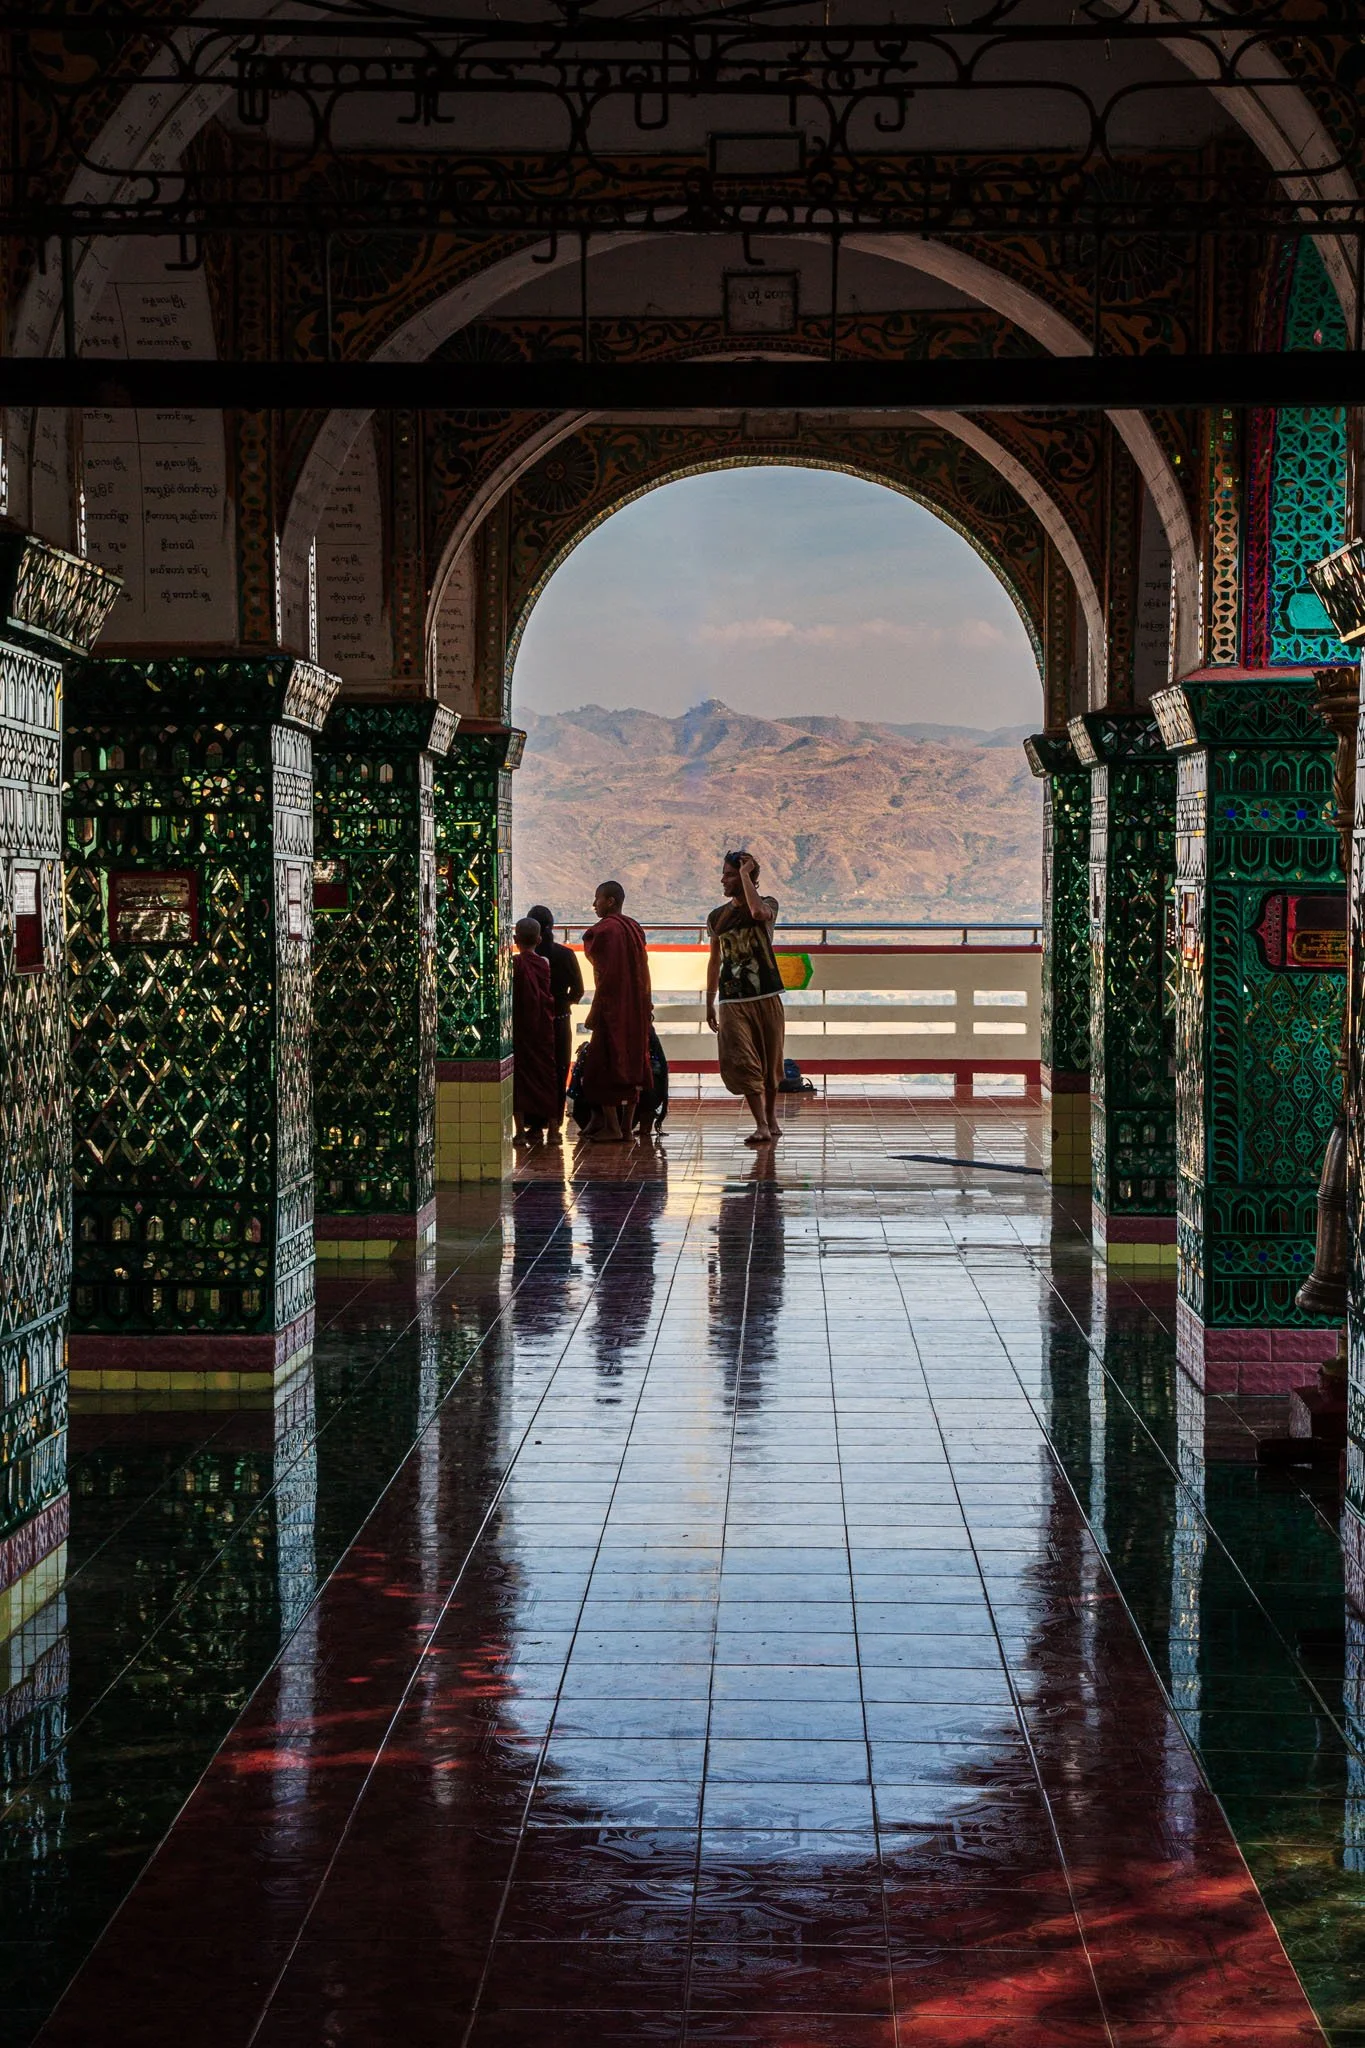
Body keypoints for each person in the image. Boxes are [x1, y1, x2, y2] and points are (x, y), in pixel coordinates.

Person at [706, 850, 786, 1145]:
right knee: (743, 1059)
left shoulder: (768, 905)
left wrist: (744, 875)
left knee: (770, 1058)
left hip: (766, 994)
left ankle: (771, 1116)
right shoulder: (717, 917)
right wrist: (709, 1000)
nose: (723, 880)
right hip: (732, 1000)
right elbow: (715, 960)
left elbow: (756, 914)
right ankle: (761, 1124)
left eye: (729, 874)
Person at [579, 880, 652, 1143]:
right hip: (637, 1008)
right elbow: (644, 968)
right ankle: (626, 1128)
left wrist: (596, 1011)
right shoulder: (634, 927)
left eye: (597, 899)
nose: (593, 904)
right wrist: (647, 1002)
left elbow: (603, 975)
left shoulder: (604, 931)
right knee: (635, 1064)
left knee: (602, 1068)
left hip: (612, 1009)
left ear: (610, 901)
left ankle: (612, 1126)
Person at [528, 903, 585, 1136]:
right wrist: (563, 1003)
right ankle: (554, 1123)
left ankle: (535, 1124)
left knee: (534, 1071)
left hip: (533, 1022)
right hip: (560, 1019)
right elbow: (578, 991)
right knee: (560, 1070)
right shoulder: (566, 954)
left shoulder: (526, 959)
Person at [511, 916, 560, 1146]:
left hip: (521, 1026)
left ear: (515, 939)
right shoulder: (545, 963)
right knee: (547, 1077)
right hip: (543, 1026)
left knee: (520, 1079)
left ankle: (520, 1132)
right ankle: (552, 1131)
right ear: (539, 939)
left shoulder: (514, 964)